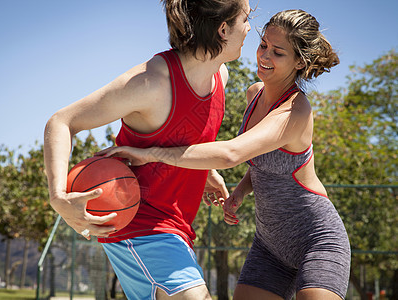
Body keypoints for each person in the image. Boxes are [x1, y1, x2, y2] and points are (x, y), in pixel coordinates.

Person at [99, 9, 351, 300]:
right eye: (263, 45)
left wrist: (152, 153)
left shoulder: (296, 110)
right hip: (270, 244)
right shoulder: (254, 93)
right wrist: (241, 191)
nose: (264, 56)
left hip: (316, 239)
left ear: (299, 62)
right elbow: (264, 162)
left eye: (278, 53)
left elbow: (232, 153)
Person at [44, 0, 253, 299]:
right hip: (139, 226)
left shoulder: (220, 77)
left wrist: (205, 169)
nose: (249, 29)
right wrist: (58, 197)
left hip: (176, 229)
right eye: (245, 19)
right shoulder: (151, 82)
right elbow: (61, 122)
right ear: (223, 29)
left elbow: (181, 138)